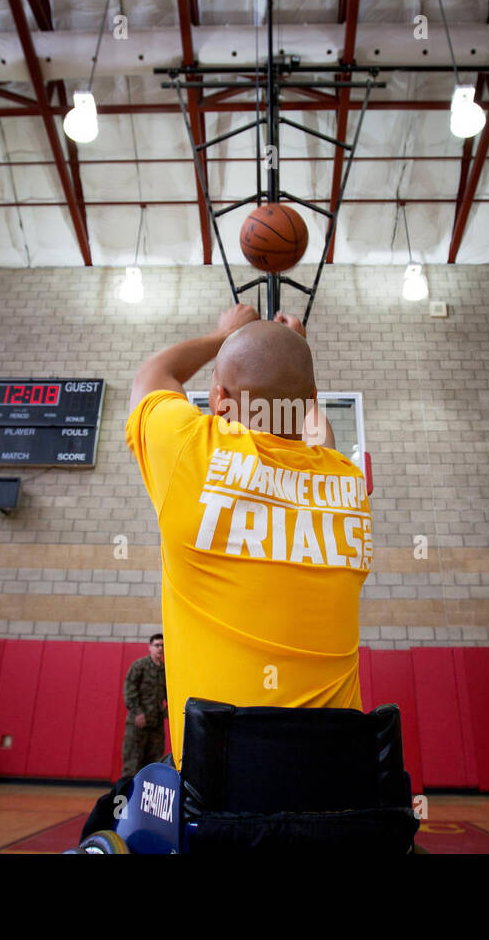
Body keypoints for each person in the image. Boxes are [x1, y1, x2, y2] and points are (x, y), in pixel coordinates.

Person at [124, 304, 373, 767]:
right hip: (337, 792)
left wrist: (226, 333)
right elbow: (316, 437)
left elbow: (152, 374)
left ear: (218, 398)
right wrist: (293, 351)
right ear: (312, 399)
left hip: (218, 797)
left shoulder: (189, 454)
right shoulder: (347, 484)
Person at [120, 633, 167, 778]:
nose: (160, 648)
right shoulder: (140, 666)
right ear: (150, 647)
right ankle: (125, 800)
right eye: (157, 645)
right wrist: (138, 712)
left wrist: (167, 712)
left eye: (162, 645)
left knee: (153, 766)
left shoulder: (166, 670)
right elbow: (129, 689)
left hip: (156, 725)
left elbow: (169, 694)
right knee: (132, 765)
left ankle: (144, 801)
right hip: (138, 723)